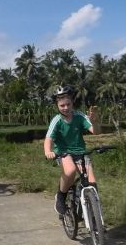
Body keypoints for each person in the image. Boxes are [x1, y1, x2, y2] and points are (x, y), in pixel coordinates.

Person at [43, 86, 100, 218]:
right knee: (70, 171)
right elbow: (48, 139)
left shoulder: (80, 116)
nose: (66, 108)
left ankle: (94, 217)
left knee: (92, 184)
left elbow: (96, 131)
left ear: (72, 103)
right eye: (62, 105)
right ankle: (61, 196)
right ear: (57, 105)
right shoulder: (57, 120)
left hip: (80, 152)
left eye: (68, 104)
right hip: (63, 152)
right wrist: (48, 151)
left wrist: (94, 121)